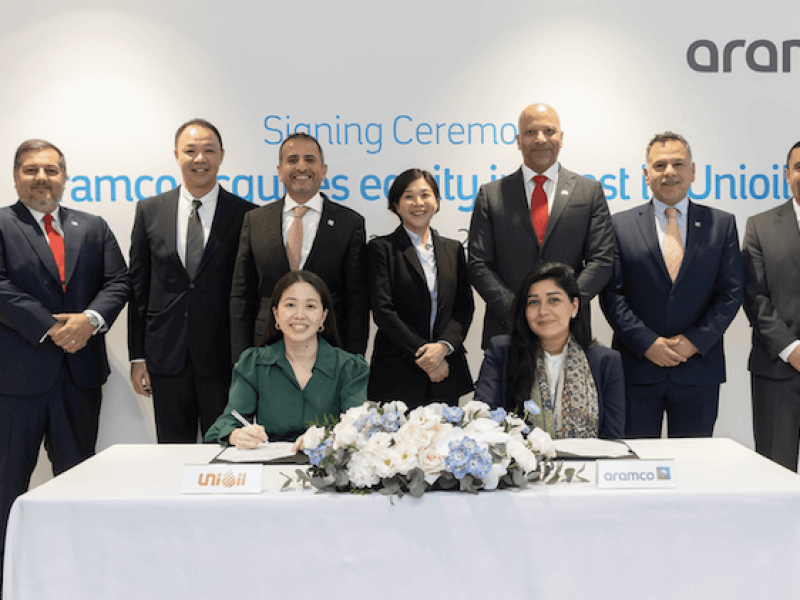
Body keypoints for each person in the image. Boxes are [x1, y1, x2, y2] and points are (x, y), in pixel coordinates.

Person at [0, 139, 130, 589]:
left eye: (51, 170)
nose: (42, 178)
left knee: (78, 481)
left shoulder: (92, 226)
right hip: (16, 382)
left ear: (64, 176)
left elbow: (119, 281)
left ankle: (80, 577)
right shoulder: (1, 224)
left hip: (79, 377)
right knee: (7, 485)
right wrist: (52, 326)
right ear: (16, 176)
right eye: (32, 169)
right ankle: (8, 579)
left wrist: (90, 320)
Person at [601, 132, 743, 438]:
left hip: (698, 369)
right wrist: (647, 343)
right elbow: (612, 294)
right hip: (637, 368)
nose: (669, 172)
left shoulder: (722, 224)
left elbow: (730, 294)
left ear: (693, 171)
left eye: (678, 163)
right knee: (637, 467)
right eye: (660, 164)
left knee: (695, 468)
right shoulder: (619, 226)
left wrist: (694, 342)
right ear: (646, 174)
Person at [128, 119, 255, 443]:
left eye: (209, 150)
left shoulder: (247, 215)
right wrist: (137, 356)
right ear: (176, 155)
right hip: (166, 357)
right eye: (191, 150)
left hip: (225, 358)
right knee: (171, 455)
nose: (200, 159)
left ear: (222, 155)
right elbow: (139, 287)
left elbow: (251, 292)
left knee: (227, 453)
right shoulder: (149, 211)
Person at [468, 103, 614, 348]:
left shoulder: (589, 192)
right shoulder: (491, 195)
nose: (541, 139)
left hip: (571, 336)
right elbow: (478, 263)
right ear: (518, 140)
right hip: (508, 333)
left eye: (549, 131)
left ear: (561, 137)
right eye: (530, 132)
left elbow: (602, 260)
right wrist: (519, 310)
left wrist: (563, 306)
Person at [230, 132, 368, 361]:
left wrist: (354, 361)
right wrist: (241, 358)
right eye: (292, 160)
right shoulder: (255, 221)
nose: (301, 167)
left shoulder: (349, 223)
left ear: (323, 170)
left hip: (330, 352)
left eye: (310, 160)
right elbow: (241, 296)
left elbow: (357, 300)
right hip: (265, 350)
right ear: (280, 170)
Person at [206, 270, 368, 446]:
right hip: (270, 467)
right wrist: (236, 435)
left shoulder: (350, 367)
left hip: (327, 467)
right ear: (276, 314)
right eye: (290, 305)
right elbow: (223, 426)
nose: (299, 315)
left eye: (310, 306)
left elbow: (358, 429)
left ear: (323, 317)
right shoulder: (253, 364)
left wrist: (322, 441)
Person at [474, 263, 624, 439]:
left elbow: (613, 438)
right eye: (533, 302)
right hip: (519, 462)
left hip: (585, 464)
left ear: (574, 307)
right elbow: (483, 419)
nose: (543, 311)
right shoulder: (502, 352)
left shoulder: (605, 361)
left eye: (554, 300)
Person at [367, 168, 474, 409]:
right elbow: (384, 312)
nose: (418, 203)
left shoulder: (453, 249)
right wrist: (427, 357)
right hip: (398, 371)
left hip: (446, 371)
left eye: (425, 195)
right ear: (395, 204)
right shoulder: (381, 249)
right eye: (408, 196)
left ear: (436, 202)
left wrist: (443, 348)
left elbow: (464, 308)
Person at [742, 140, 800, 471]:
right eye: (799, 167)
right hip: (777, 370)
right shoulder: (760, 226)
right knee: (776, 476)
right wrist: (790, 348)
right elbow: (753, 295)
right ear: (786, 174)